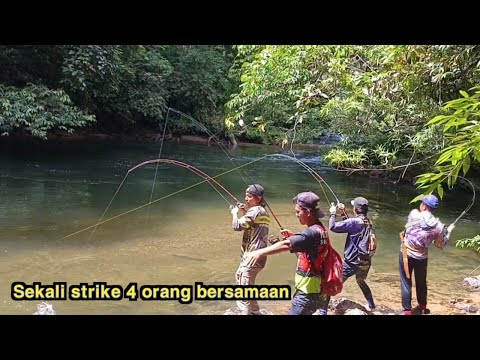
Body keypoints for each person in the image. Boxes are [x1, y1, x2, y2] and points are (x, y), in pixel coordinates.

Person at [243, 191, 330, 315]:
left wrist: (258, 253)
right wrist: (293, 237)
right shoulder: (321, 230)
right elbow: (309, 252)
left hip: (307, 293)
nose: (296, 215)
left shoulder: (310, 233)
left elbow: (286, 245)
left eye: (298, 211)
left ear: (308, 212)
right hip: (319, 290)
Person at [399, 194, 454, 315]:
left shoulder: (413, 214)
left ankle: (407, 311)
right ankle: (422, 307)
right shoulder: (439, 226)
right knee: (421, 282)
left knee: (406, 281)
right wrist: (448, 232)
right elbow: (440, 245)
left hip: (406, 253)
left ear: (423, 206)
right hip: (422, 258)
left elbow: (408, 229)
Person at [327, 197, 376, 311]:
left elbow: (333, 227)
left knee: (333, 283)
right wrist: (343, 212)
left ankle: (322, 308)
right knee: (360, 281)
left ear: (355, 209)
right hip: (365, 261)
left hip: (351, 263)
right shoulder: (368, 221)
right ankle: (372, 306)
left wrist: (333, 213)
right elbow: (351, 227)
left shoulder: (354, 222)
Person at [230, 184, 270, 315]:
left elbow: (237, 226)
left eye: (249, 196)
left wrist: (234, 214)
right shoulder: (262, 211)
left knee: (243, 294)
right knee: (245, 283)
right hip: (259, 257)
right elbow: (253, 224)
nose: (246, 198)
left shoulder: (255, 210)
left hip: (252, 256)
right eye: (246, 195)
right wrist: (245, 211)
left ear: (258, 198)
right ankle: (255, 312)